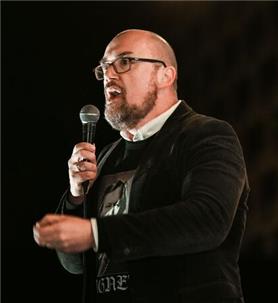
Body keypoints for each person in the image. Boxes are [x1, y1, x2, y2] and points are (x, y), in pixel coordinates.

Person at [33, 29, 250, 303]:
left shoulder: (206, 134)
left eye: (124, 62)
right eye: (104, 67)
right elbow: (76, 264)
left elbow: (207, 219)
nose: (109, 75)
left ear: (165, 75)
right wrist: (77, 197)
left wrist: (96, 233)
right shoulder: (106, 157)